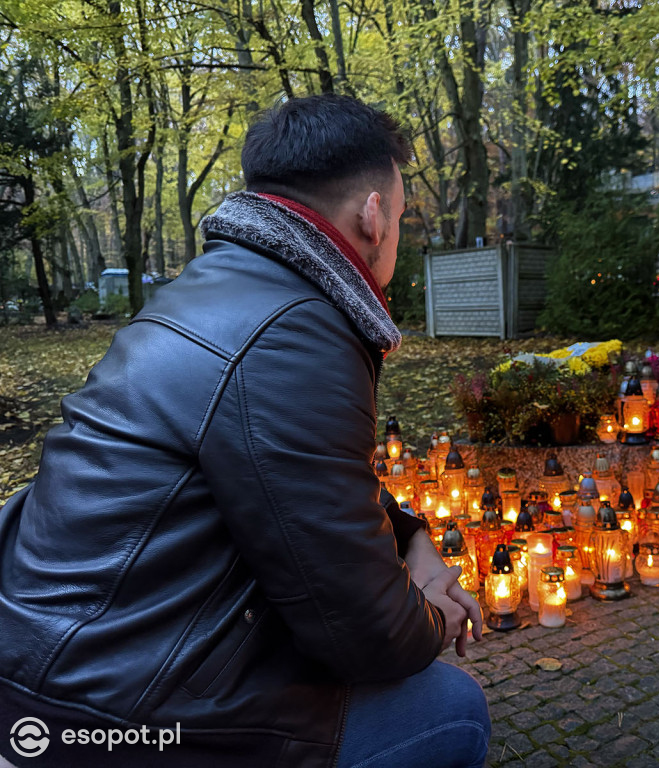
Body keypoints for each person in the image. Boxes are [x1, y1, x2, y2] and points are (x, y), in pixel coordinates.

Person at [0, 94, 490, 768]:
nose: (398, 240)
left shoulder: (210, 290)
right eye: (403, 219)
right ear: (373, 217)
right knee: (452, 711)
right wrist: (438, 615)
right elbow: (365, 634)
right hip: (99, 711)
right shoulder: (296, 334)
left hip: (60, 654)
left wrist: (413, 538)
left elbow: (292, 482)